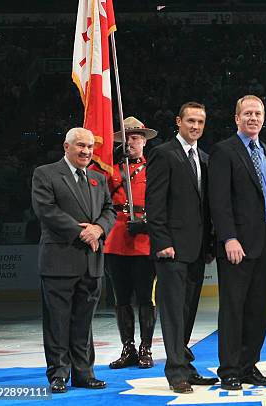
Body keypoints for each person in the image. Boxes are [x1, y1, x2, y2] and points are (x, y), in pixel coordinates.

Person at [31, 127, 116, 393]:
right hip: (59, 261)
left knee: (83, 322)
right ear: (66, 146)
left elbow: (108, 209)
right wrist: (82, 232)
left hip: (91, 262)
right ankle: (58, 374)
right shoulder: (45, 174)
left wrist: (99, 229)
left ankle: (83, 373)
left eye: (90, 147)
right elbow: (46, 211)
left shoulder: (97, 179)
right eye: (81, 145)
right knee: (57, 322)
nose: (86, 151)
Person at [146, 102, 218, 393]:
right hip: (172, 250)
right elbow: (155, 202)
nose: (196, 126)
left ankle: (185, 364)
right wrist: (162, 242)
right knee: (174, 313)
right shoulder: (163, 154)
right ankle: (175, 372)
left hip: (197, 250)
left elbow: (205, 208)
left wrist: (210, 244)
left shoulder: (204, 157)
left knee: (188, 312)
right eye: (190, 120)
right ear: (178, 121)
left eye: (200, 121)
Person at [208, 95, 266, 391]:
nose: (253, 118)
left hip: (264, 246)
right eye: (247, 113)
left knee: (258, 310)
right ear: (237, 118)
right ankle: (230, 369)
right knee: (234, 310)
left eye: (257, 113)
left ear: (263, 118)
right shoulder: (224, 151)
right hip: (236, 246)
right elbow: (218, 200)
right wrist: (229, 237)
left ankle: (249, 366)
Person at [102, 116, 157, 370]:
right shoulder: (110, 169)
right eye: (127, 137)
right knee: (121, 298)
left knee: (146, 298)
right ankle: (128, 348)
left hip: (144, 239)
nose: (132, 142)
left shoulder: (153, 168)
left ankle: (146, 348)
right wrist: (112, 157)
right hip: (116, 239)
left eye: (136, 137)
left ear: (144, 142)